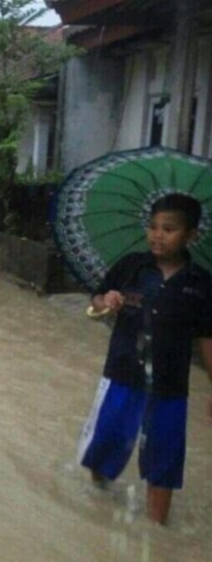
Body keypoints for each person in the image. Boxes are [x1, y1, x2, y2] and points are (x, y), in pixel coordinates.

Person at [78, 193, 212, 525]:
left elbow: (208, 338)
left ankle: (157, 533)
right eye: (152, 227)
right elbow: (93, 305)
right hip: (122, 377)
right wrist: (104, 301)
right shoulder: (131, 267)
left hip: (170, 389)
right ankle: (98, 503)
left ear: (191, 235)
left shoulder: (201, 285)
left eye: (169, 229)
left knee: (163, 464)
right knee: (103, 452)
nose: (157, 235)